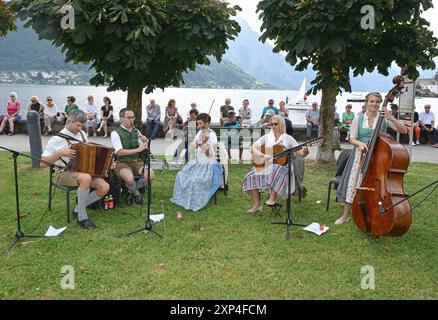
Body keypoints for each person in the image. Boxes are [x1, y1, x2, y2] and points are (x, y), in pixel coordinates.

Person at [334, 92, 408, 225]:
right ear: (366, 102)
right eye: (372, 101)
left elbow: (403, 131)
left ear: (380, 103)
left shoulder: (384, 118)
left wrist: (391, 117)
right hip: (360, 155)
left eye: (377, 102)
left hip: (379, 157)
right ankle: (345, 215)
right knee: (354, 183)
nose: (374, 104)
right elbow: (352, 139)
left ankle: (373, 211)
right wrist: (360, 144)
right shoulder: (359, 118)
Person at [40, 110, 110, 229]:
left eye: (81, 125)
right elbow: (42, 164)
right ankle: (82, 218)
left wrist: (106, 163)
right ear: (69, 121)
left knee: (104, 187)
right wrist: (61, 153)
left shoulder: (82, 134)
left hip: (83, 171)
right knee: (86, 178)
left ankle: (78, 209)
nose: (80, 128)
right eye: (77, 125)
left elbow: (89, 154)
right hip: (62, 173)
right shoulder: (57, 139)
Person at [241, 115, 309, 212]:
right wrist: (263, 156)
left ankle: (273, 197)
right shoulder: (267, 137)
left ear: (281, 124)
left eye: (275, 124)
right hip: (267, 165)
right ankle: (257, 205)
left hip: (284, 167)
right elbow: (252, 147)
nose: (273, 126)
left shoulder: (288, 138)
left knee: (276, 170)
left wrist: (305, 151)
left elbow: (301, 153)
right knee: (249, 176)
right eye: (271, 124)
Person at [171, 113, 223, 212]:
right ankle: (182, 199)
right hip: (197, 162)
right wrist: (188, 155)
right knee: (181, 175)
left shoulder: (212, 135)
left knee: (194, 180)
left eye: (200, 124)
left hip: (208, 164)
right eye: (197, 124)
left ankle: (193, 201)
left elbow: (209, 155)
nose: (198, 126)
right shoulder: (199, 133)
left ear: (207, 123)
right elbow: (191, 146)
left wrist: (203, 144)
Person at [110, 108, 155, 205]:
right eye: (129, 117)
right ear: (121, 119)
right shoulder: (115, 133)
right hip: (122, 163)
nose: (132, 119)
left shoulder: (136, 131)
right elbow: (119, 152)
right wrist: (137, 150)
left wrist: (145, 142)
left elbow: (143, 148)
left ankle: (130, 190)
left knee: (150, 175)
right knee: (129, 179)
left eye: (133, 117)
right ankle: (136, 194)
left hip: (136, 161)